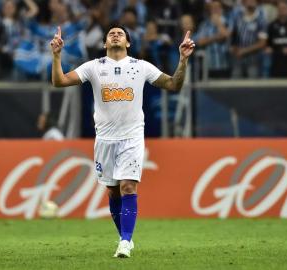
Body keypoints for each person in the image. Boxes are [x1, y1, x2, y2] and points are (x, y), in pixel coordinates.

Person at [50, 25, 195, 258]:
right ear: (105, 43)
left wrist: (183, 60)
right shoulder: (94, 67)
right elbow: (60, 82)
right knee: (113, 192)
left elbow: (173, 85)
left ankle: (125, 242)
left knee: (128, 186)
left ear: (128, 43)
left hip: (132, 137)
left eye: (120, 33)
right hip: (105, 140)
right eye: (110, 33)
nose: (115, 35)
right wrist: (56, 56)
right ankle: (124, 237)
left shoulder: (141, 67)